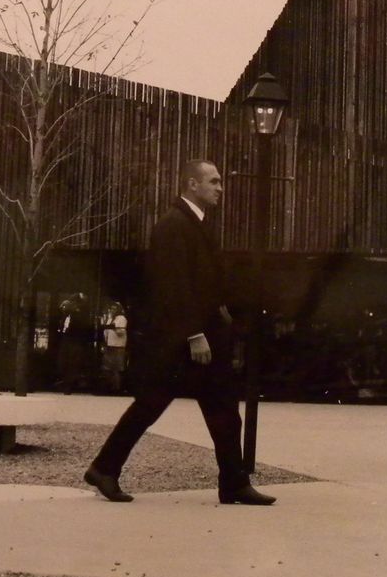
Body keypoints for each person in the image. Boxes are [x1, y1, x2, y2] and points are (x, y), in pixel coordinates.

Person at [84, 159, 275, 506]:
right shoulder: (173, 226)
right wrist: (193, 334)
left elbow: (201, 282)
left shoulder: (196, 224)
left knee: (222, 410)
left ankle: (233, 482)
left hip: (201, 335)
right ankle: (104, 469)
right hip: (185, 341)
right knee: (152, 405)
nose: (221, 188)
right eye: (214, 181)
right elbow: (172, 287)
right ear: (192, 184)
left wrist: (220, 311)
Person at [100, 301, 128, 393]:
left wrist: (113, 327)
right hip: (109, 345)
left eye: (114, 308)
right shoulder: (110, 318)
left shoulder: (121, 318)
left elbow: (121, 332)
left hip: (118, 346)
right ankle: (109, 386)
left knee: (117, 368)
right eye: (111, 308)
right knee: (107, 367)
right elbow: (106, 331)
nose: (112, 310)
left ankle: (117, 388)